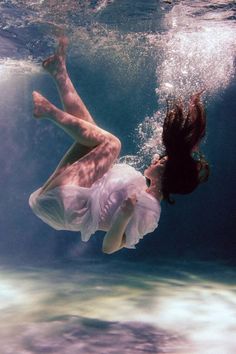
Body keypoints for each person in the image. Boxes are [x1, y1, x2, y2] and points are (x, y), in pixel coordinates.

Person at [29, 38, 209, 254]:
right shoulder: (141, 187)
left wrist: (122, 218)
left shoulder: (150, 214)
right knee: (91, 136)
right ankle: (60, 73)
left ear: (168, 173)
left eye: (162, 161)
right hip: (60, 201)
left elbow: (109, 248)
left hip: (65, 206)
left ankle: (48, 111)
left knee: (112, 143)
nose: (157, 158)